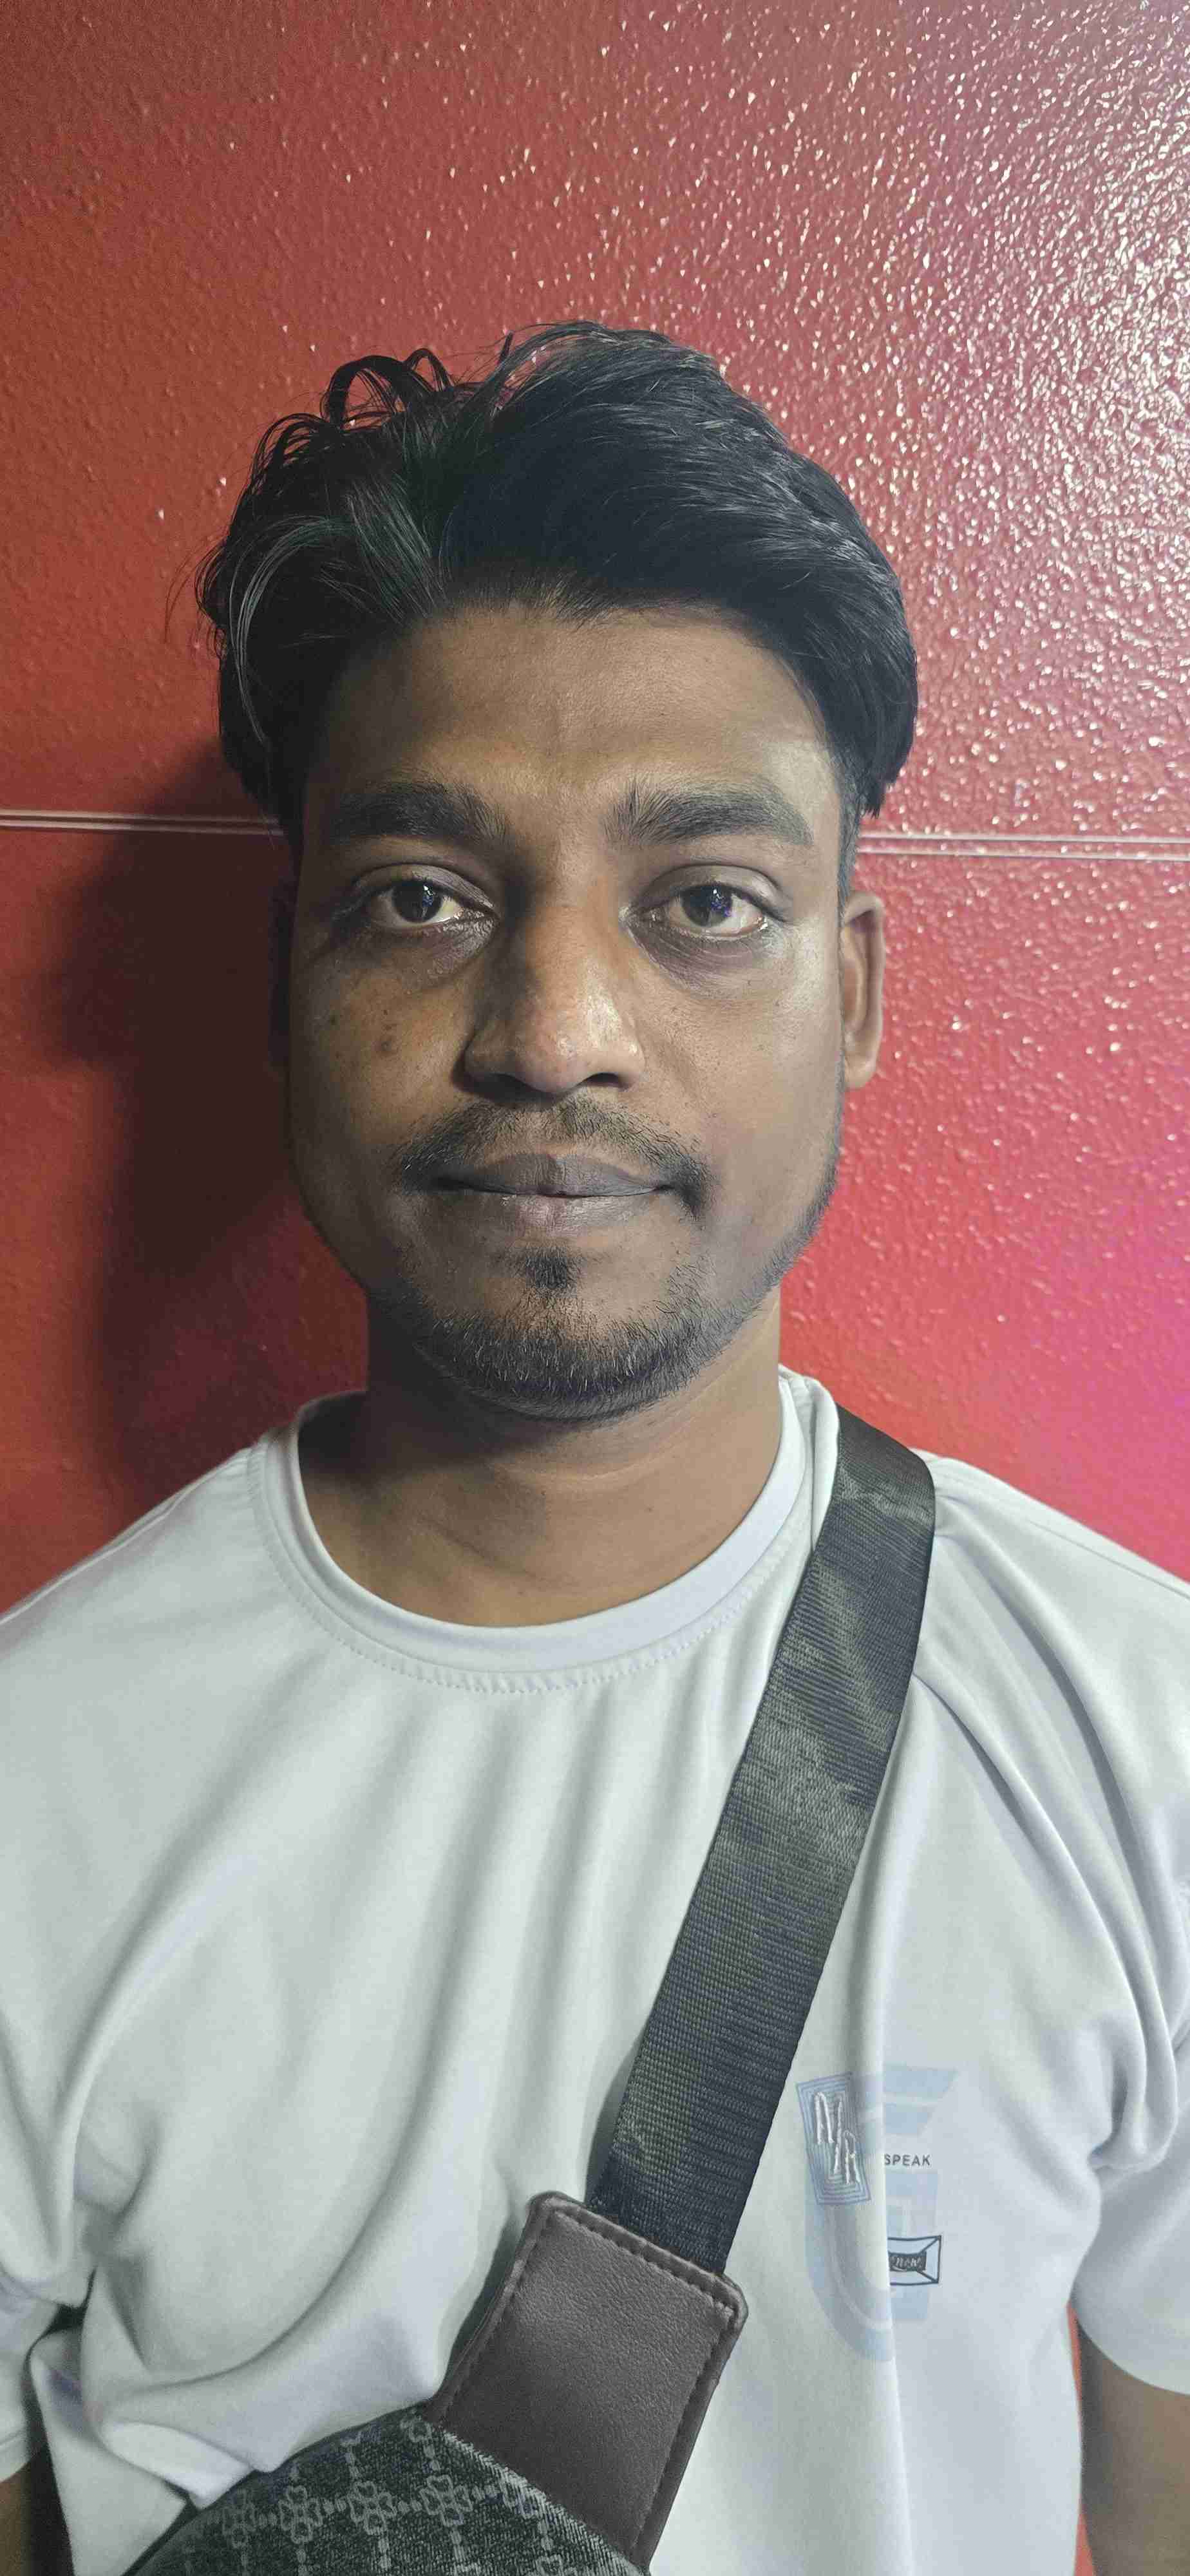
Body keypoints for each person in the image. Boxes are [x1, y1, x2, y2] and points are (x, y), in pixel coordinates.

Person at [1, 321, 1187, 2576]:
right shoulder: (34, 1790)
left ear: (854, 992)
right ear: (287, 980)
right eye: (422, 898)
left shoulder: (1141, 1744)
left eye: (703, 904)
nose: (553, 1032)